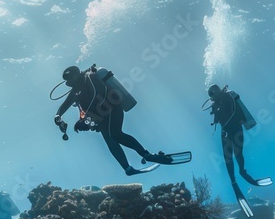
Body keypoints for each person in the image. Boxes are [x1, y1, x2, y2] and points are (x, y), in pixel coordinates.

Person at [53, 65, 190, 175]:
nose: (72, 86)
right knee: (110, 140)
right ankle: (127, 168)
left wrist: (85, 121)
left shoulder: (92, 78)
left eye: (72, 82)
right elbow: (64, 105)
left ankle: (147, 155)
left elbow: (99, 96)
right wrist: (58, 117)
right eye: (71, 84)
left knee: (115, 134)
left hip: (112, 107)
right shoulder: (77, 90)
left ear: (77, 78)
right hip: (101, 116)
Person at [207, 84, 272, 217]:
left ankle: (242, 172)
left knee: (237, 154)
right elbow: (217, 120)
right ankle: (234, 180)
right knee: (228, 158)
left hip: (234, 129)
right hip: (226, 132)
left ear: (216, 92)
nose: (212, 98)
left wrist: (218, 112)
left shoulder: (226, 97)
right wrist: (215, 111)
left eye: (212, 95)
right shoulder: (218, 103)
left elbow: (231, 113)